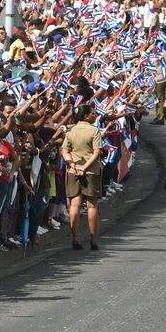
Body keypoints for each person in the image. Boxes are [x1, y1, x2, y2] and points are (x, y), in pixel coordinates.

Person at [62, 105, 103, 250]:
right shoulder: (94, 131)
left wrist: (73, 165)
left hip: (74, 172)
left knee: (75, 205)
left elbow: (65, 151)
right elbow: (97, 152)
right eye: (92, 113)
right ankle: (93, 239)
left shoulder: (71, 131)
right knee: (92, 206)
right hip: (91, 172)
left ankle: (76, 239)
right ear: (85, 116)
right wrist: (85, 168)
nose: (95, 115)